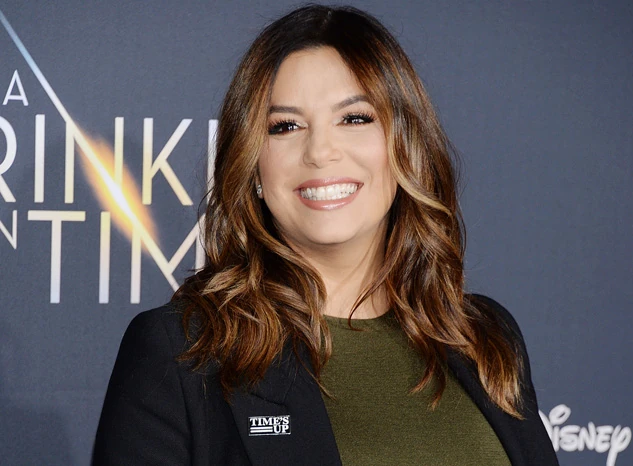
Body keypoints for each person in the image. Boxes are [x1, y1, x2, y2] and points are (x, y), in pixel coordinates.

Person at [93, 5, 558, 465]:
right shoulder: (183, 351)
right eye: (286, 126)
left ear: (405, 145)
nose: (320, 151)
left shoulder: (485, 337)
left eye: (354, 118)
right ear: (253, 168)